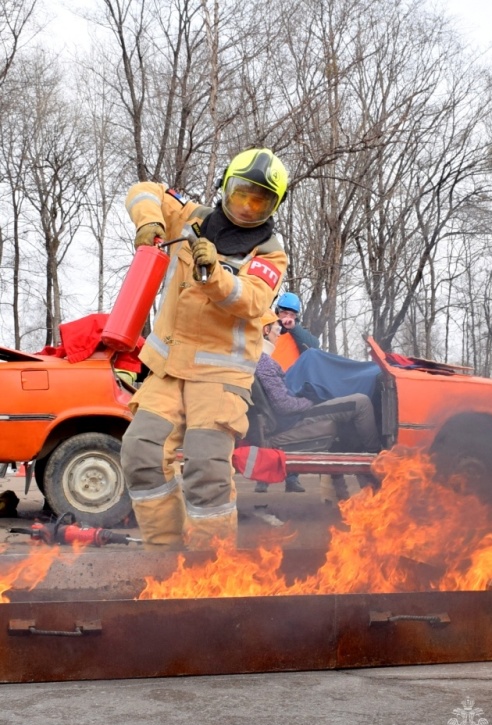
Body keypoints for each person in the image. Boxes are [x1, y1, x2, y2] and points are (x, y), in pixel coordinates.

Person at [120, 148, 289, 549]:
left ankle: (209, 573)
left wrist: (213, 274)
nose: (247, 208)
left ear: (273, 206)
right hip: (167, 370)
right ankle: (166, 558)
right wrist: (150, 222)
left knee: (206, 470)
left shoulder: (269, 252)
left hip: (218, 380)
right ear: (224, 185)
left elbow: (251, 301)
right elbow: (146, 190)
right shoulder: (191, 217)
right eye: (240, 193)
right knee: (141, 454)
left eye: (259, 200)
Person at [255, 314, 382, 468]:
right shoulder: (264, 362)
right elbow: (283, 405)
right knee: (361, 402)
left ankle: (346, 481)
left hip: (290, 416)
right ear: (266, 330)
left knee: (350, 402)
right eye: (277, 328)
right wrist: (311, 400)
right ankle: (378, 459)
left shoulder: (259, 360)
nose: (278, 334)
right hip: (293, 418)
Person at [255, 293, 319, 493]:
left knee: (293, 432)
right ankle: (262, 480)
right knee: (268, 430)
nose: (286, 317)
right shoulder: (268, 330)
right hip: (268, 382)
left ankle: (292, 478)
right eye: (283, 312)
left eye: (291, 313)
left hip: (291, 384)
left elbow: (314, 346)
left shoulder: (300, 334)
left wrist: (295, 328)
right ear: (277, 312)